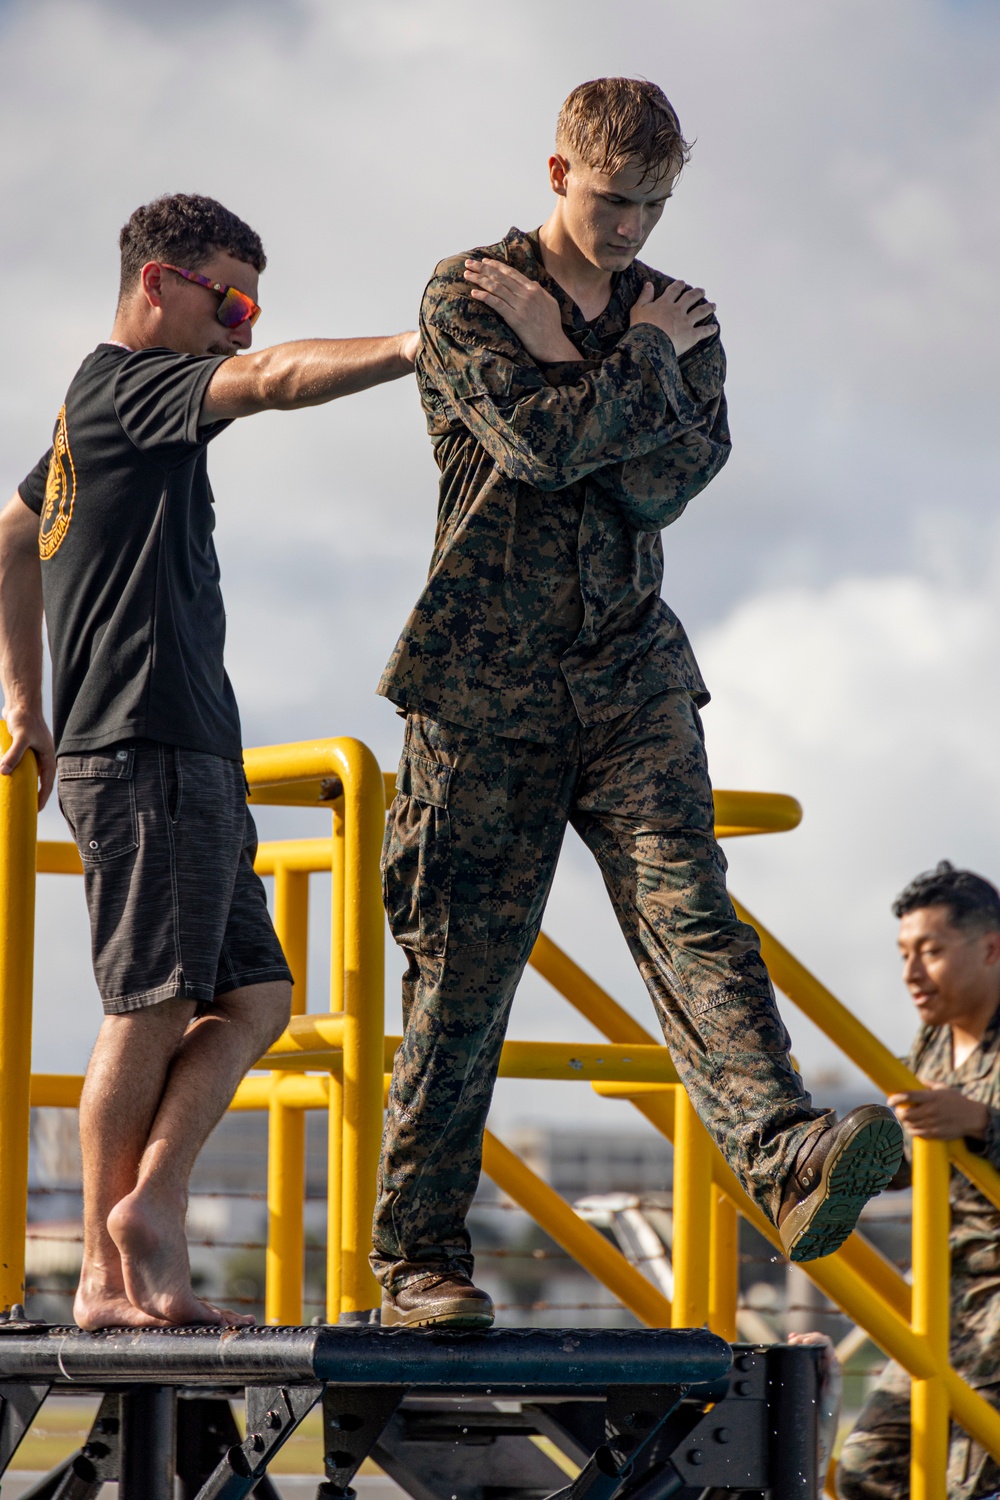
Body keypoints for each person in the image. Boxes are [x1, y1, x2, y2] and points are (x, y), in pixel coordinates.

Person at [373, 76, 903, 1331]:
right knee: (461, 980)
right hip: (481, 682)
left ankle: (781, 1156)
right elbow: (543, 453)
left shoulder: (681, 316)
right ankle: (420, 1260)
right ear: (557, 172)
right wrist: (628, 362)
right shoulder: (466, 292)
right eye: (613, 202)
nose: (631, 232)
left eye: (655, 207)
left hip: (630, 673)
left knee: (693, 916)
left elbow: (673, 481)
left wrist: (590, 358)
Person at [0, 193, 418, 1330]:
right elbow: (277, 380)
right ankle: (101, 1272)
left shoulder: (88, 420)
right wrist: (418, 346)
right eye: (228, 301)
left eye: (254, 307)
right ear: (157, 284)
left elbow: (6, 539)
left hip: (176, 747)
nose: (242, 327)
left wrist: (27, 705)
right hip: (145, 746)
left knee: (256, 994)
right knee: (149, 1002)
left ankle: (152, 1209)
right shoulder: (129, 390)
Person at [839, 862, 1000, 1500]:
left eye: (930, 952)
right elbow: (904, 1162)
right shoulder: (930, 1042)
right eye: (904, 953)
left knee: (965, 1482)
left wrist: (982, 1122)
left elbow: (964, 1129)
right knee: (863, 1472)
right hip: (943, 1292)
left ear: (991, 948)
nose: (910, 974)